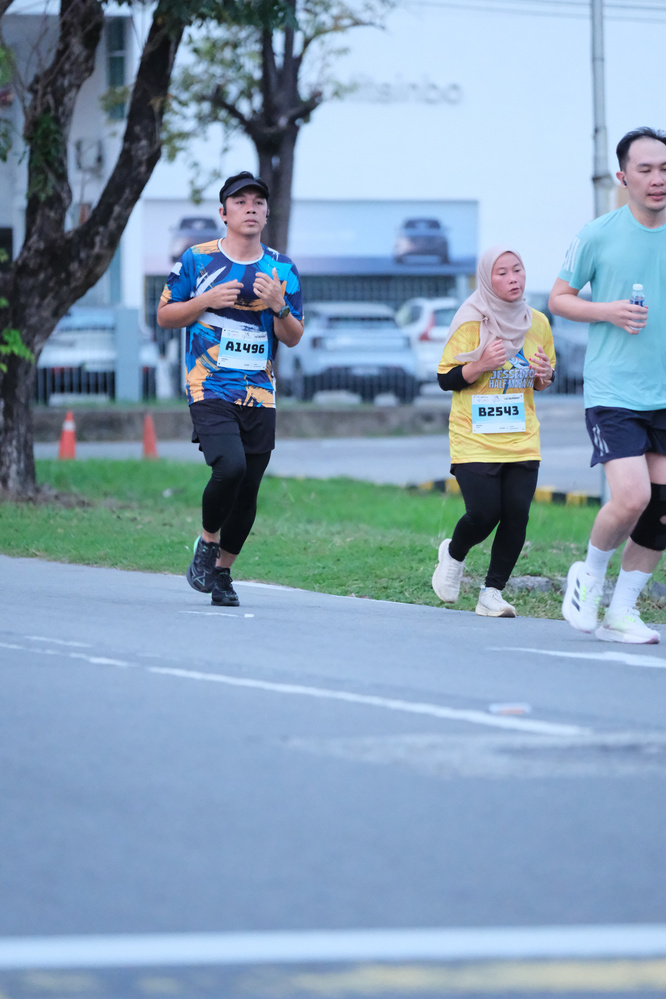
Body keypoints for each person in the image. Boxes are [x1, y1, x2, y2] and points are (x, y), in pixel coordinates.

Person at [157, 171, 304, 607]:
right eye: (241, 202)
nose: (251, 208)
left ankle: (222, 573)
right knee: (230, 467)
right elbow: (165, 316)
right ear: (223, 213)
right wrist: (205, 301)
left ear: (267, 212)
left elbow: (293, 336)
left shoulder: (281, 268)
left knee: (248, 489)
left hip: (259, 391)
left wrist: (278, 306)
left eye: (258, 202)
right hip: (209, 384)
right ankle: (207, 541)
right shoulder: (197, 260)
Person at [550, 126, 666, 645]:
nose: (658, 179)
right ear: (623, 177)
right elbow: (559, 298)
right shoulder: (597, 234)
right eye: (646, 170)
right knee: (633, 497)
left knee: (661, 507)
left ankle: (623, 611)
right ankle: (589, 577)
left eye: (665, 169)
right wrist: (608, 311)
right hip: (615, 390)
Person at [432, 245, 555, 617]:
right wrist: (480, 364)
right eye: (502, 273)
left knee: (517, 514)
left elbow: (543, 379)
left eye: (517, 269)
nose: (513, 278)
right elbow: (446, 378)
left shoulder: (538, 323)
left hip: (521, 435)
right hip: (474, 436)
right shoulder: (471, 321)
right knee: (484, 513)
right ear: (487, 279)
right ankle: (454, 553)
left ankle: (492, 593)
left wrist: (545, 375)